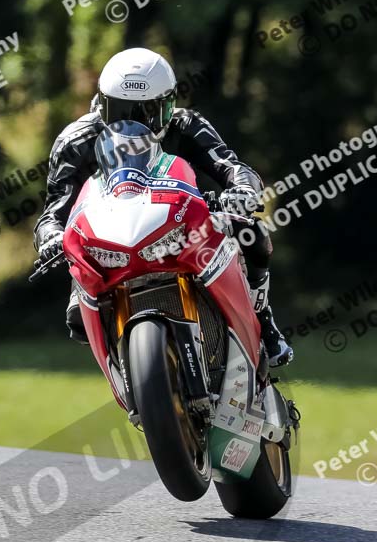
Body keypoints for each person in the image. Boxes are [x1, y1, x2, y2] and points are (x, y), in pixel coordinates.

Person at [34, 48, 293, 367]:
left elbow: (230, 165)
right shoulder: (76, 140)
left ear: (169, 105)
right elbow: (54, 210)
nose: (132, 124)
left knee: (253, 233)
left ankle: (263, 320)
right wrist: (50, 239)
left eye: (145, 112)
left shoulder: (186, 125)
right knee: (77, 316)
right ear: (100, 104)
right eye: (120, 112)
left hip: (181, 228)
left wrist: (241, 191)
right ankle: (127, 369)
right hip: (107, 243)